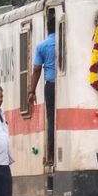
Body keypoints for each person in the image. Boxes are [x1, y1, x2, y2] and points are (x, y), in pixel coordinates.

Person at [25, 19, 57, 165]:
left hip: (51, 85)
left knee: (51, 119)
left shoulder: (42, 46)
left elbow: (37, 69)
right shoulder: (68, 41)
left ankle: (51, 155)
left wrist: (31, 91)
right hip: (68, 85)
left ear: (48, 28)